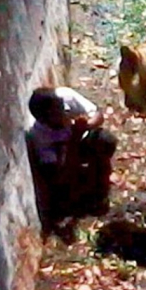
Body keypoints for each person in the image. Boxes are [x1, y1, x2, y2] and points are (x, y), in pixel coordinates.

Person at [26, 87, 117, 237]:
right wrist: (73, 140)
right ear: (45, 120)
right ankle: (85, 196)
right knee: (64, 191)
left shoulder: (66, 96)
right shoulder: (39, 136)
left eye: (61, 107)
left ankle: (101, 184)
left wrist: (86, 126)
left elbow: (98, 115)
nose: (63, 113)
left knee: (105, 140)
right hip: (66, 159)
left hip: (82, 141)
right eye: (56, 112)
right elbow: (58, 175)